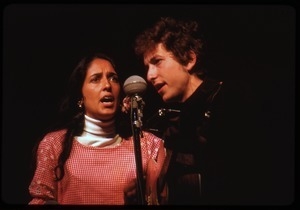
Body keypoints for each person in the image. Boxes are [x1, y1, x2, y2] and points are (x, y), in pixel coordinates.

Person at [134, 17, 263, 205]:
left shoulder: (229, 101)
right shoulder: (172, 120)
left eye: (158, 62)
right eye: (148, 67)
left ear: (189, 59)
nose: (150, 75)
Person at [28, 52, 165, 205]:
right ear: (80, 96)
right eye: (96, 79)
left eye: (113, 78)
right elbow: (41, 200)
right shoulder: (55, 144)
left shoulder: (146, 145)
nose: (107, 85)